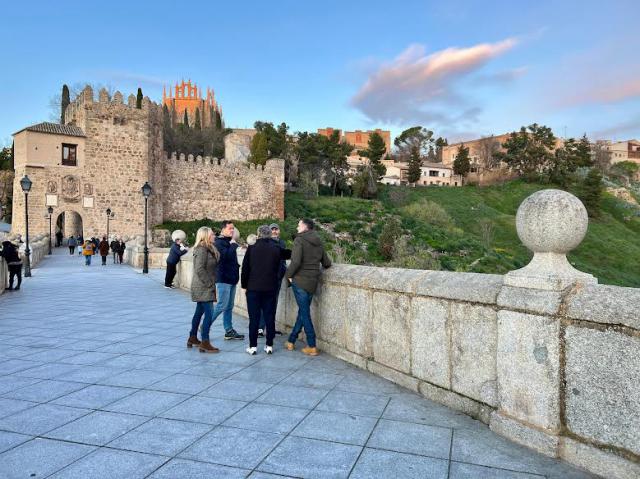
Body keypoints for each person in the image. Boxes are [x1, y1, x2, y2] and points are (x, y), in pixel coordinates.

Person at [284, 218, 332, 356]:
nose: (297, 227)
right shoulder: (318, 240)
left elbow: (295, 261)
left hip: (300, 281)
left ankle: (311, 345)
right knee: (302, 312)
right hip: (312, 282)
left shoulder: (299, 240)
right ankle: (291, 341)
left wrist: (288, 276)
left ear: (305, 227)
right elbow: (327, 263)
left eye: (298, 225)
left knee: (305, 314)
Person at [241, 225, 283, 355]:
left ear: (258, 234)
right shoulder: (276, 248)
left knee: (254, 318)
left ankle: (253, 346)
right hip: (270, 288)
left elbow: (245, 269)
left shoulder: (252, 248)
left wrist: (244, 285)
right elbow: (280, 268)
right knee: (270, 316)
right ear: (270, 234)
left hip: (253, 288)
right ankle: (269, 345)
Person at [188, 226, 220, 353]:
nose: (214, 236)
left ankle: (192, 337)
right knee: (209, 314)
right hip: (203, 286)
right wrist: (209, 283)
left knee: (199, 312)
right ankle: (205, 342)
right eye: (212, 234)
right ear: (205, 236)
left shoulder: (208, 248)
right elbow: (199, 269)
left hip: (203, 285)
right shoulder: (202, 249)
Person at [212, 221, 245, 341]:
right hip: (223, 278)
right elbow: (224, 257)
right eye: (230, 228)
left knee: (229, 306)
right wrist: (233, 245)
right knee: (222, 305)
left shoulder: (228, 242)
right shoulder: (219, 242)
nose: (232, 230)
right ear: (223, 230)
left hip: (232, 278)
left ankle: (229, 330)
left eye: (233, 228)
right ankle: (205, 325)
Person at [258, 223, 288, 337]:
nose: (275, 231)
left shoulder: (282, 243)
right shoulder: (266, 243)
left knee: (273, 304)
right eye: (272, 230)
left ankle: (271, 328)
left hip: (277, 279)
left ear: (279, 231)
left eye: (276, 229)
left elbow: (283, 260)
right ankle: (260, 328)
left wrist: (282, 272)